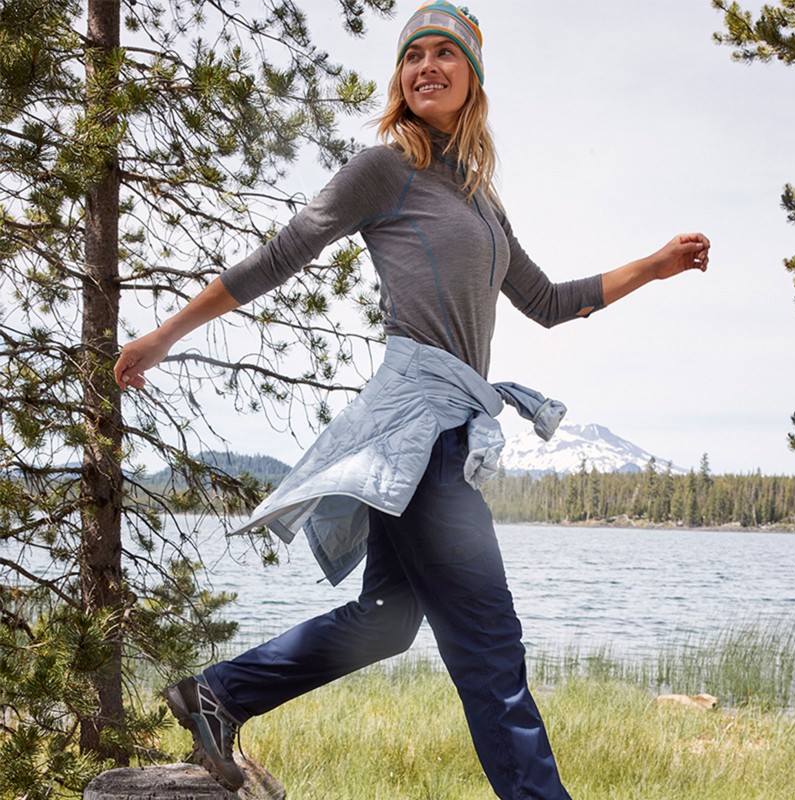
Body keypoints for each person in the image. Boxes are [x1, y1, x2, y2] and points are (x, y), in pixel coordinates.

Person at [113, 3, 710, 798]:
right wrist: (164, 335)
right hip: (416, 425)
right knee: (490, 645)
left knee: (390, 621)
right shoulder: (385, 168)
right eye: (413, 55)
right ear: (401, 78)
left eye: (445, 55)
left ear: (473, 77)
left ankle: (220, 693)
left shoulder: (480, 200)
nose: (426, 66)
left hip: (451, 425)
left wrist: (655, 265)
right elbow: (283, 253)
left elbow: (550, 300)